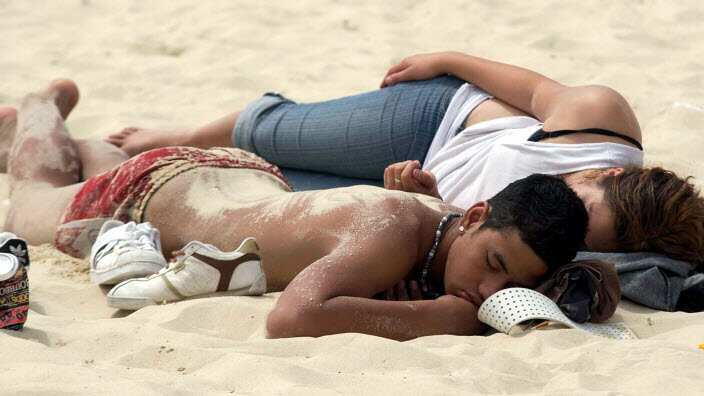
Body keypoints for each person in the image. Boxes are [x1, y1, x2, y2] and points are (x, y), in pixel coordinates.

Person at [0, 80, 588, 340]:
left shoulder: (447, 220)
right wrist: (436, 319)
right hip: (160, 186)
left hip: (233, 180)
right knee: (26, 204)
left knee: (94, 167)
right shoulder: (389, 231)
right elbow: (293, 319)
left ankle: (73, 142)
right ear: (476, 215)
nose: (489, 289)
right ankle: (38, 106)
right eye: (492, 262)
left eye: (510, 281)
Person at [104, 51, 704, 264]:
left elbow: (453, 225)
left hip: (411, 187)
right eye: (581, 199)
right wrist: (446, 59)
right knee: (277, 135)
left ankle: (131, 165)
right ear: (609, 172)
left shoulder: (572, 240)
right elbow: (533, 88)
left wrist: (412, 192)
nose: (566, 214)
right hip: (437, 117)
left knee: (263, 182)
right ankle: (177, 131)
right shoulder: (602, 120)